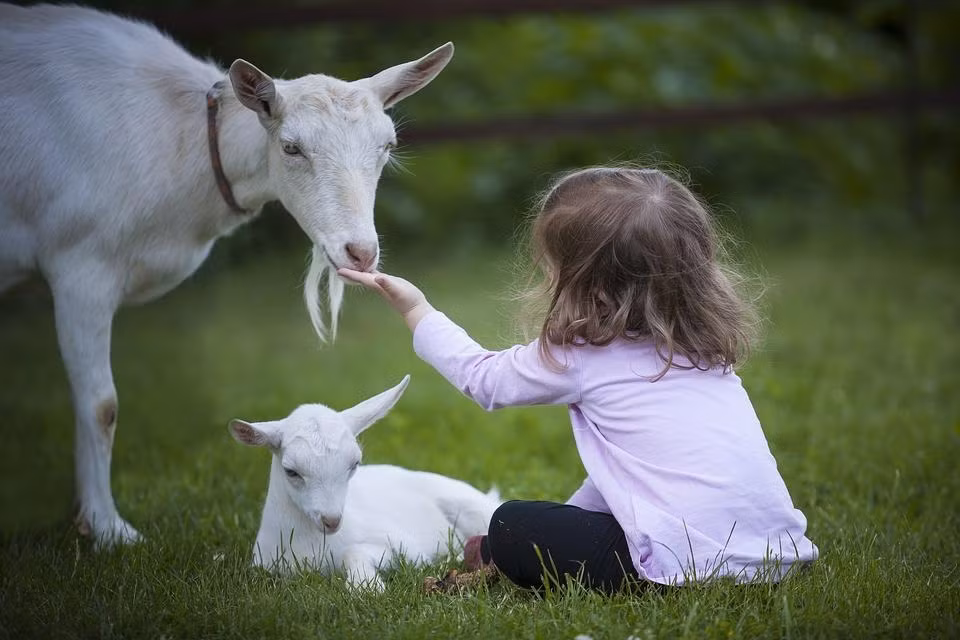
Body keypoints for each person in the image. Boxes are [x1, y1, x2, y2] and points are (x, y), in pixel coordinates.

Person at [339, 166, 817, 592]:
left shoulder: (583, 356)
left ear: (586, 280)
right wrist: (568, 519)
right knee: (533, 526)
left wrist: (415, 309)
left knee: (510, 524)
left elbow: (483, 379)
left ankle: (498, 556)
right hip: (774, 555)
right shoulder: (707, 355)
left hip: (685, 566)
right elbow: (629, 476)